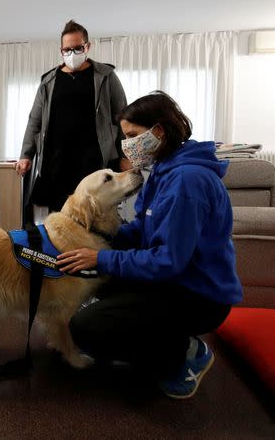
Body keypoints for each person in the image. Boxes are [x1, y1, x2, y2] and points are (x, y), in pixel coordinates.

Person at [56, 91, 243, 399]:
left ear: (159, 131)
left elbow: (167, 260)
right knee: (94, 282)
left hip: (198, 296)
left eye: (132, 135)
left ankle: (183, 353)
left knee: (87, 326)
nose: (127, 144)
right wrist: (98, 237)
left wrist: (101, 258)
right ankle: (157, 337)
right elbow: (145, 228)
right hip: (174, 280)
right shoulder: (163, 172)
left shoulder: (187, 182)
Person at [16, 20, 129, 220]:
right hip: (56, 162)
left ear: (87, 46)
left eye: (77, 48)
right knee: (60, 221)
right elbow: (35, 121)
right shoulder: (49, 81)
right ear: (61, 50)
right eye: (67, 49)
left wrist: (125, 155)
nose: (72, 53)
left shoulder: (106, 76)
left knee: (96, 218)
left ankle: (95, 253)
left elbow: (123, 119)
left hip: (95, 160)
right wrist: (26, 155)